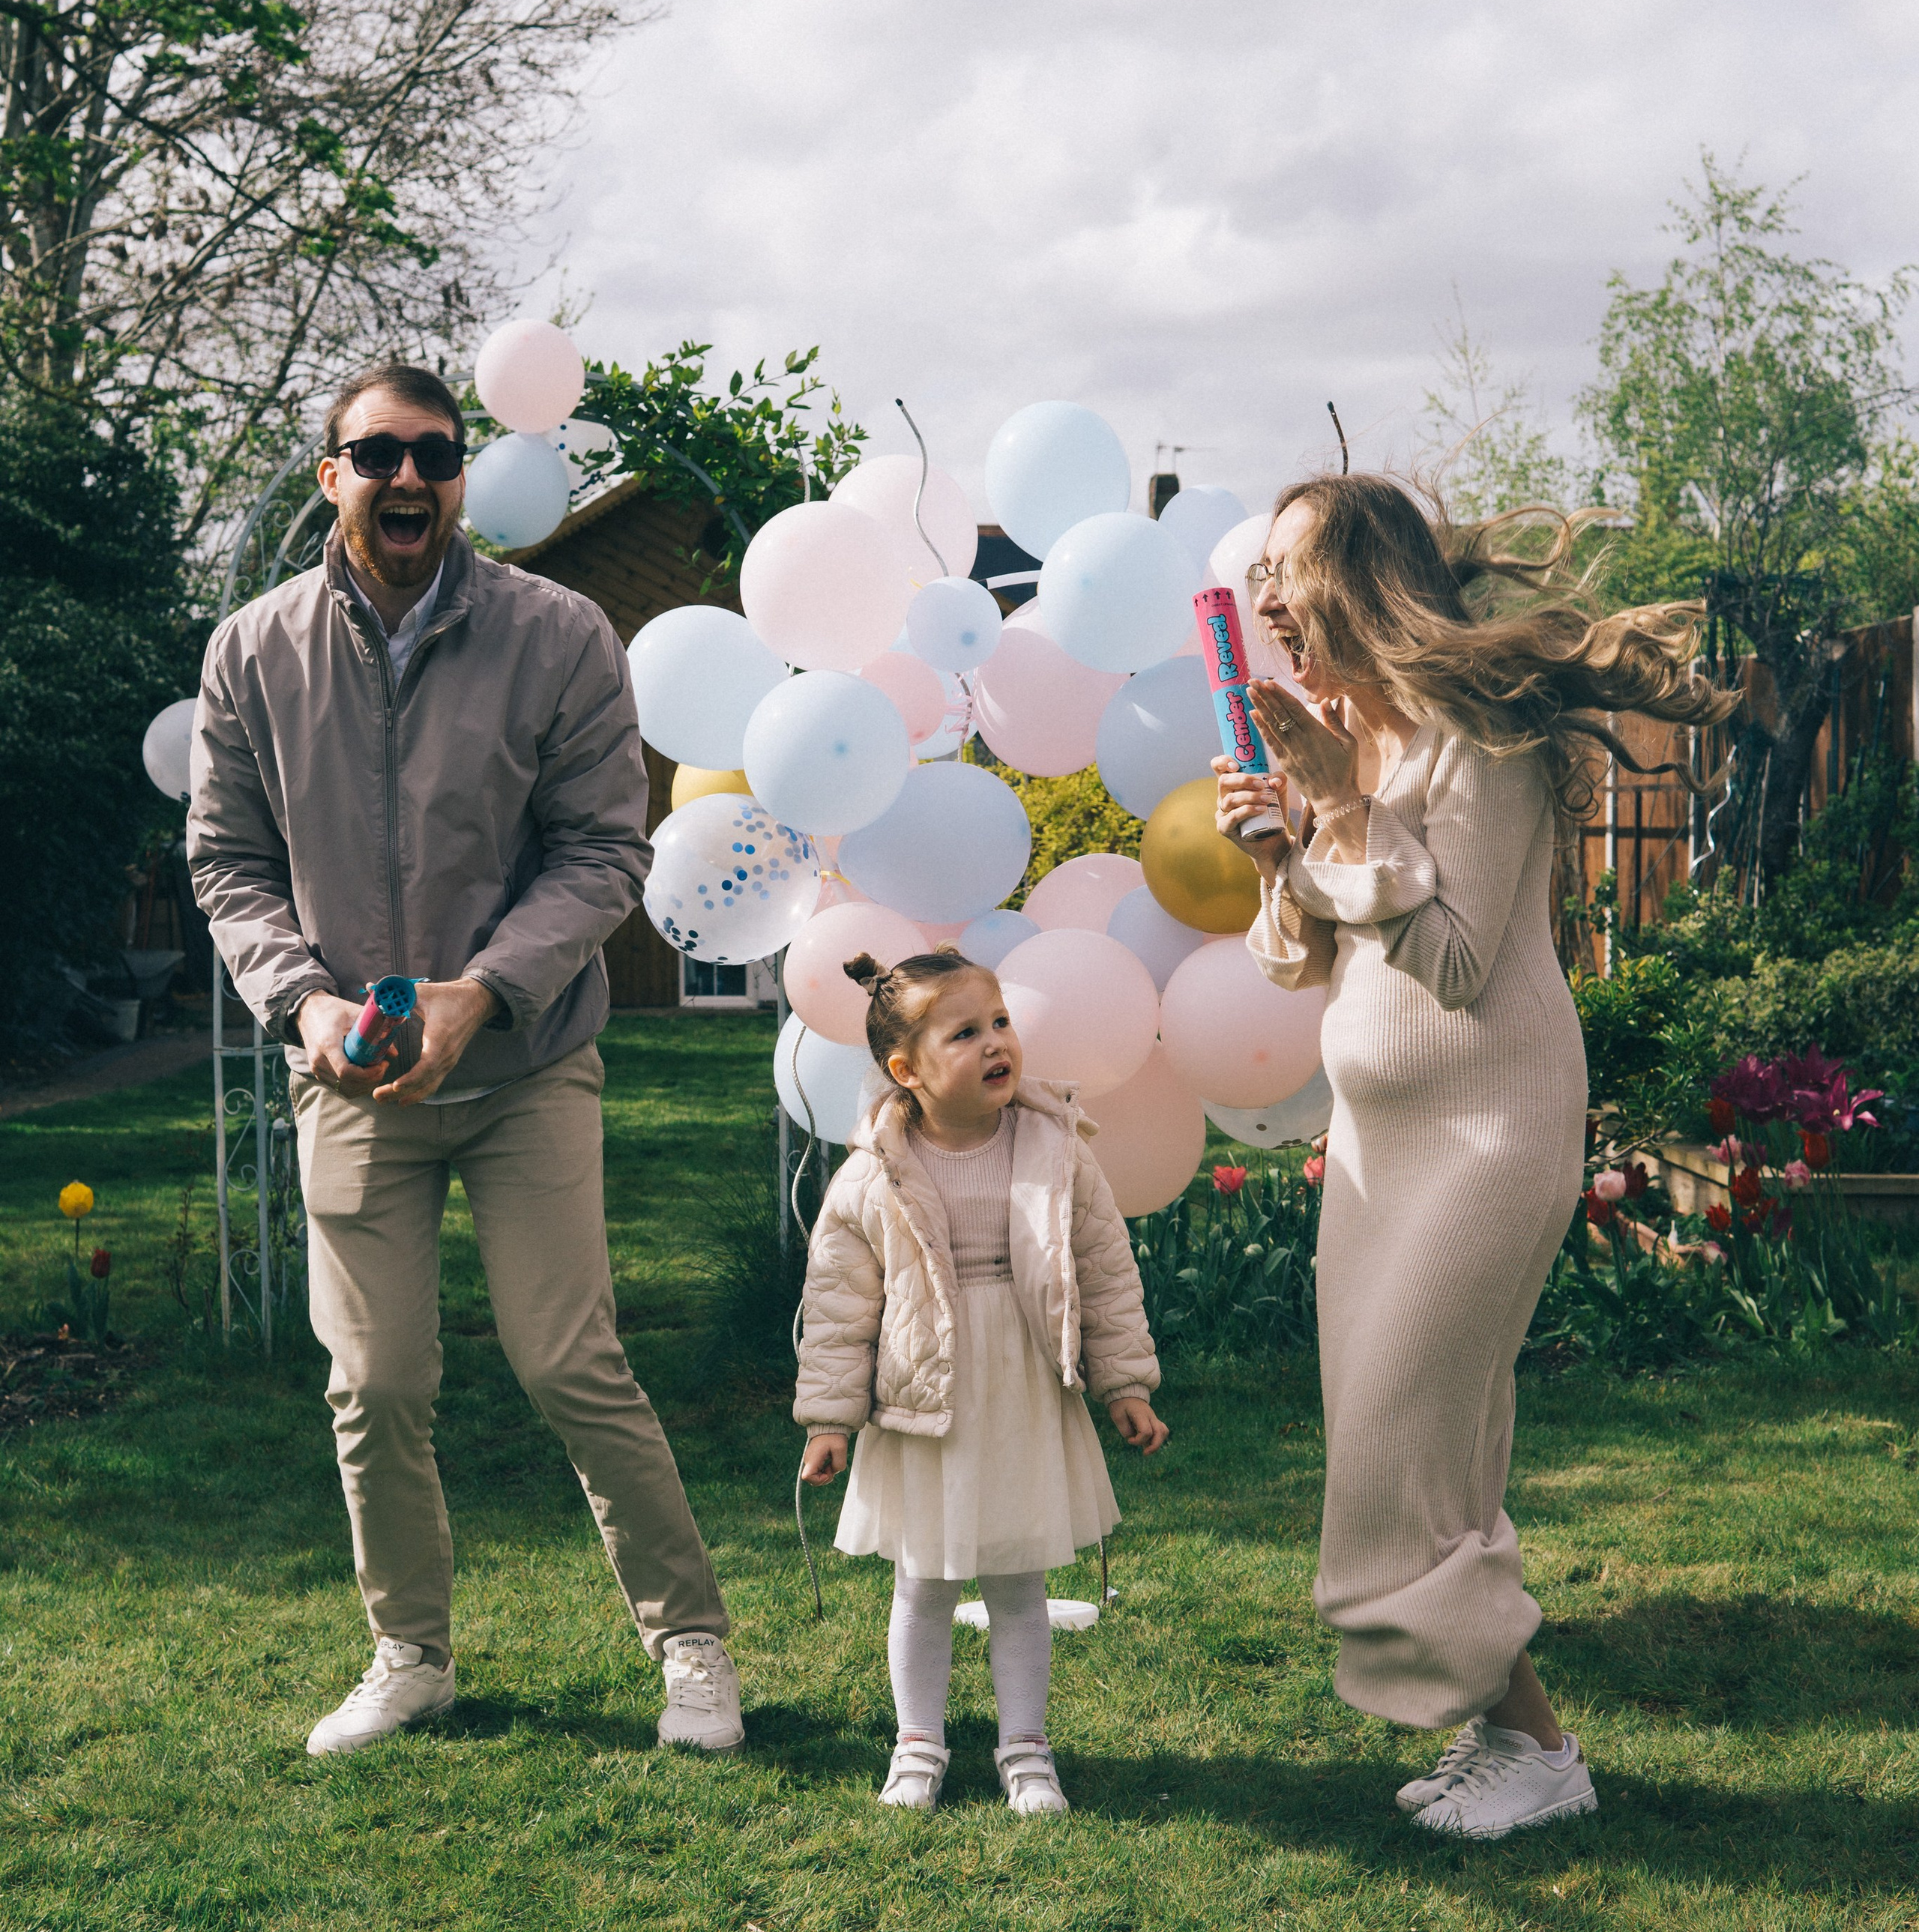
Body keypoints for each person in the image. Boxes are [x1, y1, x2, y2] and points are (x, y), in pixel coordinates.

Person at [189, 359, 743, 1760]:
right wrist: (306, 1009)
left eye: (433, 456)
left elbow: (605, 848)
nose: (408, 481)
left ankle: (692, 1647)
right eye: (376, 457)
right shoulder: (252, 650)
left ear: (460, 477)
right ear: (334, 477)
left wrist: (483, 994)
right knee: (372, 1385)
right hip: (350, 1076)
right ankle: (410, 1656)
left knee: (570, 1361)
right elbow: (229, 867)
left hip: (525, 1063)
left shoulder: (557, 633)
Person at [1215, 473, 1733, 1840]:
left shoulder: (1477, 738)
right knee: (1421, 1456)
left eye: (1289, 564)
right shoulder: (1350, 739)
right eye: (1260, 572)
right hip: (1380, 1150)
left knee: (1402, 1451)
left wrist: (1345, 813)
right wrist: (1289, 840)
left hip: (1488, 1136)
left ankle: (1540, 1755)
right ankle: (1502, 1736)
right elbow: (1299, 964)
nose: (1267, 593)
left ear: (1362, 576)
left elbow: (1449, 964)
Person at [793, 948, 1167, 1816]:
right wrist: (829, 1419)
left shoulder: (1054, 1148)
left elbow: (1103, 1269)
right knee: (923, 1580)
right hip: (927, 1394)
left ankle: (1025, 1747)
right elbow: (840, 1304)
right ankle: (918, 1742)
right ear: (906, 1071)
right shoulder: (872, 1172)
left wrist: (1125, 1383)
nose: (996, 1042)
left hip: (1025, 1384)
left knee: (1017, 1580)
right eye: (965, 1033)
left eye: (1000, 1022)